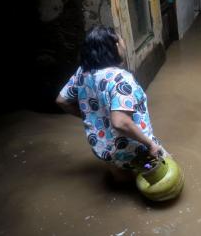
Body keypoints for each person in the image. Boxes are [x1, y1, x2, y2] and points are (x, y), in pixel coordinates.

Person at [56, 25, 165, 181]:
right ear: (115, 46)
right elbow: (120, 122)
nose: (124, 42)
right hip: (132, 148)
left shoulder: (82, 73)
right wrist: (150, 145)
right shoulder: (120, 79)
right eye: (121, 39)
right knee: (161, 179)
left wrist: (89, 117)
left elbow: (62, 100)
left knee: (121, 181)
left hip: (103, 147)